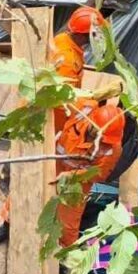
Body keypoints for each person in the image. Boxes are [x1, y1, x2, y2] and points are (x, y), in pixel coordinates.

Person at [0, 5, 110, 247]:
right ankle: (9, 225)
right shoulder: (67, 60)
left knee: (31, 173)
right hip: (45, 123)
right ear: (85, 35)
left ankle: (11, 219)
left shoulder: (63, 41)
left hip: (42, 116)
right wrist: (93, 99)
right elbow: (63, 97)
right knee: (29, 176)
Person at [55, 100, 125, 246]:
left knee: (68, 224)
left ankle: (63, 256)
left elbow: (100, 174)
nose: (102, 141)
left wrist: (73, 176)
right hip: (53, 163)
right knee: (23, 193)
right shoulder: (83, 110)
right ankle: (7, 224)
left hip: (78, 183)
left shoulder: (113, 148)